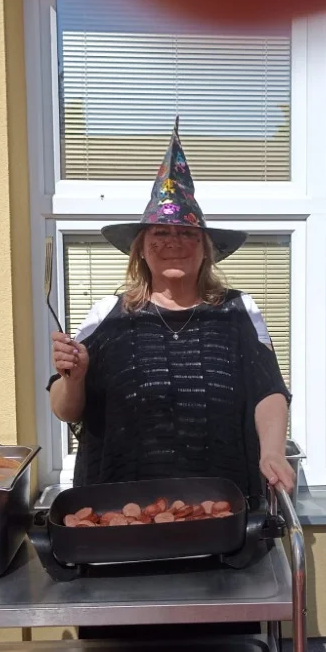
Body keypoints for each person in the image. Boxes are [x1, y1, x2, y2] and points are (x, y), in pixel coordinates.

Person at [47, 118, 295, 499]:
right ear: (141, 249)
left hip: (222, 506)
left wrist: (273, 451)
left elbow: (269, 391)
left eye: (186, 233)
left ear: (205, 248)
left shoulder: (239, 311)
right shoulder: (105, 316)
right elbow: (66, 409)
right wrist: (74, 378)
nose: (173, 242)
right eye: (160, 232)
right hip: (120, 508)